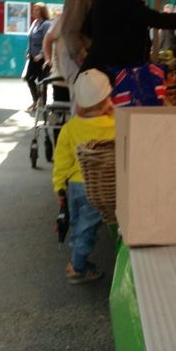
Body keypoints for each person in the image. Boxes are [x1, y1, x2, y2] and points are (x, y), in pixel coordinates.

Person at [52, 68, 115, 285]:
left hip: (74, 188)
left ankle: (79, 260)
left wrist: (59, 187)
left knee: (79, 224)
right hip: (98, 188)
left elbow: (61, 161)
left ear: (79, 104)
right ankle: (77, 267)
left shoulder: (70, 128)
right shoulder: (115, 125)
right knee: (87, 229)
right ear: (107, 100)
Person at [58, 0, 107, 95]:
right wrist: (83, 59)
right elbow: (70, 32)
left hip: (80, 57)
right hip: (76, 57)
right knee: (82, 99)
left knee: (87, 100)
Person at [24, 2, 52, 111]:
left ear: (42, 12)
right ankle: (36, 100)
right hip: (32, 56)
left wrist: (41, 54)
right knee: (29, 78)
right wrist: (28, 51)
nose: (33, 12)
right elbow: (31, 38)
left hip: (42, 58)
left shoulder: (46, 24)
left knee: (42, 81)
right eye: (33, 10)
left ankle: (42, 104)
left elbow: (47, 41)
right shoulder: (35, 22)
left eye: (36, 10)